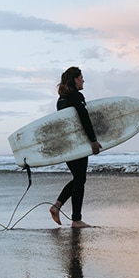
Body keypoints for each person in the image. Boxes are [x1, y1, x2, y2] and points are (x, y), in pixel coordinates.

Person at [49, 67, 102, 228]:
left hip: (66, 145)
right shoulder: (76, 96)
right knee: (80, 179)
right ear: (75, 80)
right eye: (81, 77)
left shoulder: (61, 100)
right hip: (77, 145)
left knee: (79, 178)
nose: (83, 80)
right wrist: (93, 140)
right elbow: (84, 118)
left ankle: (57, 207)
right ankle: (76, 220)